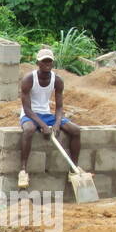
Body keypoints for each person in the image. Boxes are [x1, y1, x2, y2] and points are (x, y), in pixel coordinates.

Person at [18, 48, 83, 189]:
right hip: (30, 114)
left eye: (49, 61)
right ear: (38, 63)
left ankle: (73, 169)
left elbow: (59, 107)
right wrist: (43, 125)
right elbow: (27, 109)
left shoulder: (57, 80)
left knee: (76, 130)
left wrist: (57, 124)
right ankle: (23, 170)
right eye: (44, 61)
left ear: (53, 63)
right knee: (28, 130)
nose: (47, 64)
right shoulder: (28, 79)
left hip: (47, 115)